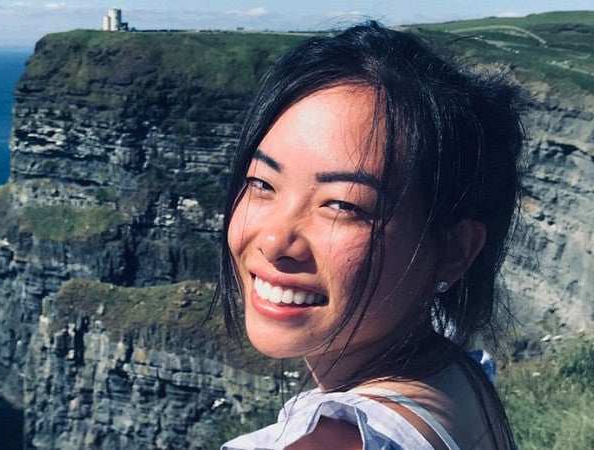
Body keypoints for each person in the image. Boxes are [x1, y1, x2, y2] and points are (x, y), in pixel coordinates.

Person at [216, 21, 523, 450]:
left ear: (454, 250)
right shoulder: (453, 378)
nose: (274, 241)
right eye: (262, 183)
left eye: (342, 206)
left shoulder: (338, 440)